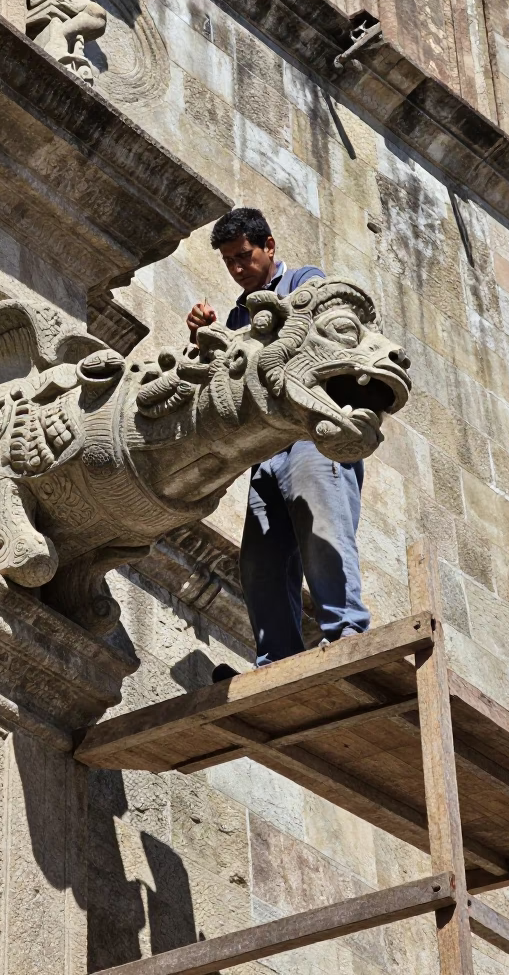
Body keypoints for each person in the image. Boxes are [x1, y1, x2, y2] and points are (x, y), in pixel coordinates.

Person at [186, 208, 369, 679]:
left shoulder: (306, 282)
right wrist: (206, 338)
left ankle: (346, 631)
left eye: (244, 255)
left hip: (310, 434)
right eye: (229, 261)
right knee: (259, 558)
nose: (237, 268)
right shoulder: (237, 315)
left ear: (269, 245)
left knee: (321, 525)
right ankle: (276, 659)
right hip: (265, 450)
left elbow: (323, 340)